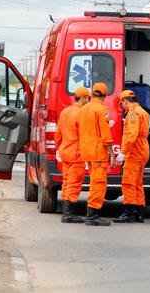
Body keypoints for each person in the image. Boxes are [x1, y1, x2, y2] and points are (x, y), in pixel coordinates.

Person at [78, 83, 117, 226]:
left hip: (87, 151)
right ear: (105, 96)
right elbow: (105, 135)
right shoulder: (101, 110)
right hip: (98, 152)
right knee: (98, 183)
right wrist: (112, 153)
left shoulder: (83, 109)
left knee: (94, 181)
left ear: (92, 94)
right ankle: (92, 215)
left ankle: (91, 214)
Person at [54, 87, 91, 223]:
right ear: (84, 98)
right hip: (77, 154)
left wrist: (59, 148)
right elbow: (85, 135)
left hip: (65, 152)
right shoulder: (82, 114)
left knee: (66, 182)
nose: (89, 101)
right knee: (74, 184)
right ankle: (68, 214)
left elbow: (58, 133)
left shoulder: (65, 111)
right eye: (88, 98)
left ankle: (66, 211)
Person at [114, 90, 150, 223]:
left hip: (135, 151)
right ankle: (139, 212)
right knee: (138, 183)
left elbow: (131, 135)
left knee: (128, 183)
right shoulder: (143, 111)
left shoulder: (133, 113)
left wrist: (123, 152)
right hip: (143, 150)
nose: (122, 106)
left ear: (125, 101)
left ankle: (128, 213)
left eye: (122, 103)